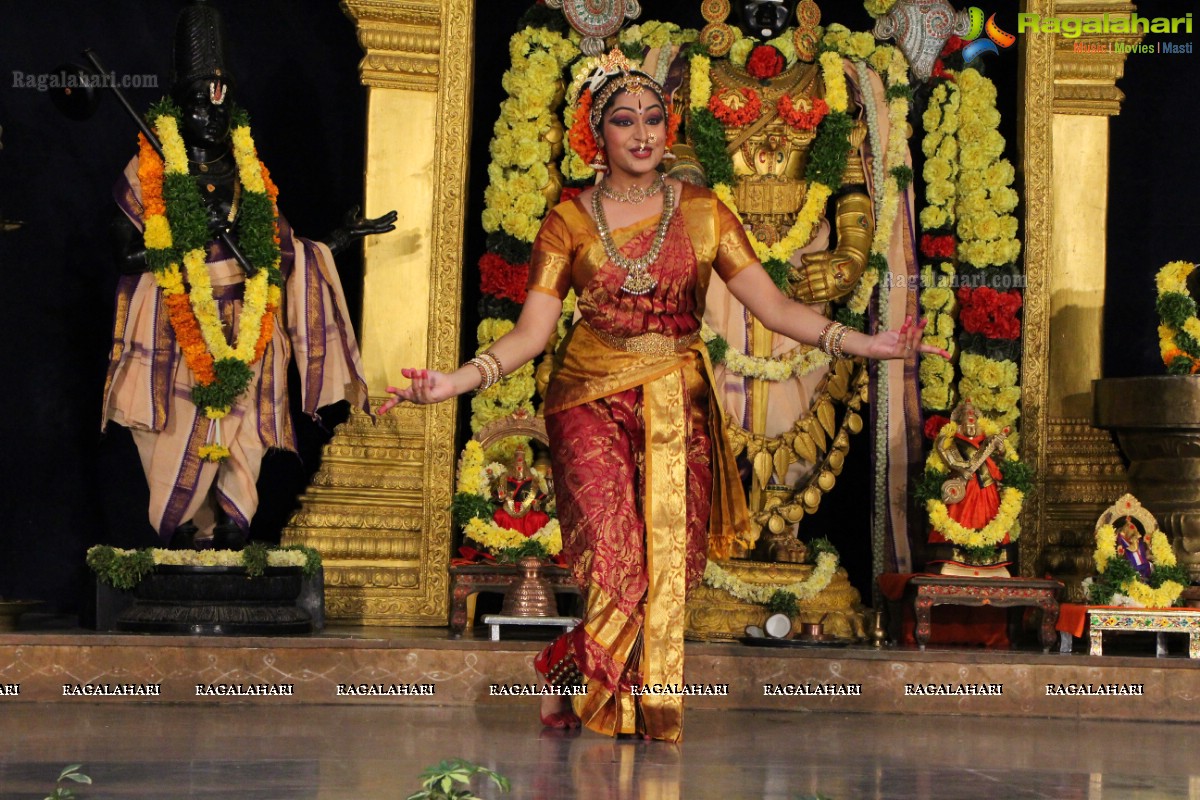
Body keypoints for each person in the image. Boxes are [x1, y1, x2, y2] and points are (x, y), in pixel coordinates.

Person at [380, 52, 943, 742]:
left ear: (668, 128)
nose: (642, 133)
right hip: (587, 398)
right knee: (614, 562)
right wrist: (455, 382)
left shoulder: (706, 214)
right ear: (599, 135)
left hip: (678, 403)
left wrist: (868, 344)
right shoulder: (569, 222)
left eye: (653, 118)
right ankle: (600, 700)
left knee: (668, 567)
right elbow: (531, 335)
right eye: (624, 121)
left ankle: (569, 670)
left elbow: (772, 307)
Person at [103, 0, 395, 550]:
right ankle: (191, 540)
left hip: (248, 334)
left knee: (242, 446)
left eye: (221, 108)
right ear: (176, 110)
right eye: (199, 107)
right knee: (173, 442)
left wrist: (335, 242)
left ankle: (226, 545)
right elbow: (124, 257)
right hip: (175, 330)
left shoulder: (249, 176)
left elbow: (278, 254)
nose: (211, 119)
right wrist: (189, 237)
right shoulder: (151, 174)